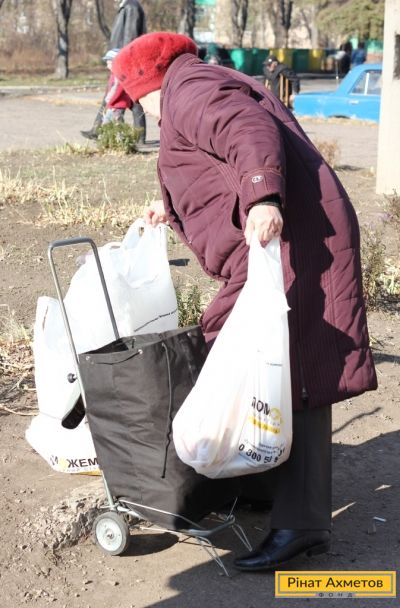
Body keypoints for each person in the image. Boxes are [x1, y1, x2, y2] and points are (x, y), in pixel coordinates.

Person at [112, 32, 377, 572]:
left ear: (146, 83)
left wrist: (262, 196)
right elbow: (211, 162)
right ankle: (259, 481)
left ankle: (301, 524)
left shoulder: (189, 89)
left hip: (290, 241)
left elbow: (245, 129)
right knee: (263, 361)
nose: (142, 111)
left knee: (287, 368)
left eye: (136, 100)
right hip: (280, 240)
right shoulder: (192, 87)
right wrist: (171, 207)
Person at [81, 0, 147, 142]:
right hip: (121, 58)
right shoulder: (127, 6)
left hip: (124, 59)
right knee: (124, 98)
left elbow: (130, 35)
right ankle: (99, 129)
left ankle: (137, 137)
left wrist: (123, 60)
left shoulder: (131, 7)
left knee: (129, 100)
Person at [99, 49, 132, 125]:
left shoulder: (118, 75)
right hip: (113, 104)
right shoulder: (114, 74)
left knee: (114, 124)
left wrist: (109, 101)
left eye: (109, 63)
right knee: (109, 123)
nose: (107, 66)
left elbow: (117, 90)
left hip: (116, 104)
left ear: (117, 63)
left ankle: (120, 133)